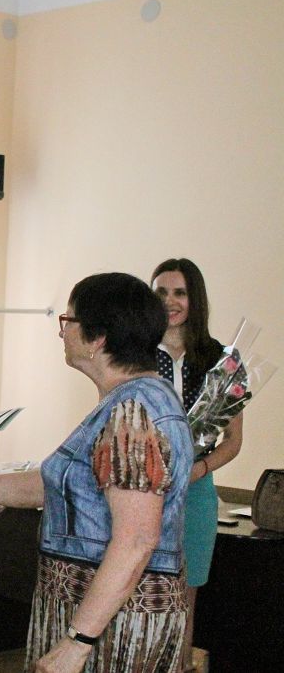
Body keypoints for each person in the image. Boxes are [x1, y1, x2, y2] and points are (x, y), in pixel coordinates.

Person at [0, 273, 193, 672]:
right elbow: (58, 484)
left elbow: (137, 540)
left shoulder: (133, 412)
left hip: (113, 626)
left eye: (68, 321)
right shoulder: (128, 401)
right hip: (95, 614)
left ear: (97, 338)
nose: (61, 332)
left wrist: (77, 643)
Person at [151, 257, 243, 672]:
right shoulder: (133, 352)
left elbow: (233, 442)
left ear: (195, 299)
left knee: (185, 598)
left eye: (180, 293)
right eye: (161, 292)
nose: (169, 301)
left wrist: (197, 470)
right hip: (142, 488)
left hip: (196, 490)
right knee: (136, 588)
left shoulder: (222, 359)